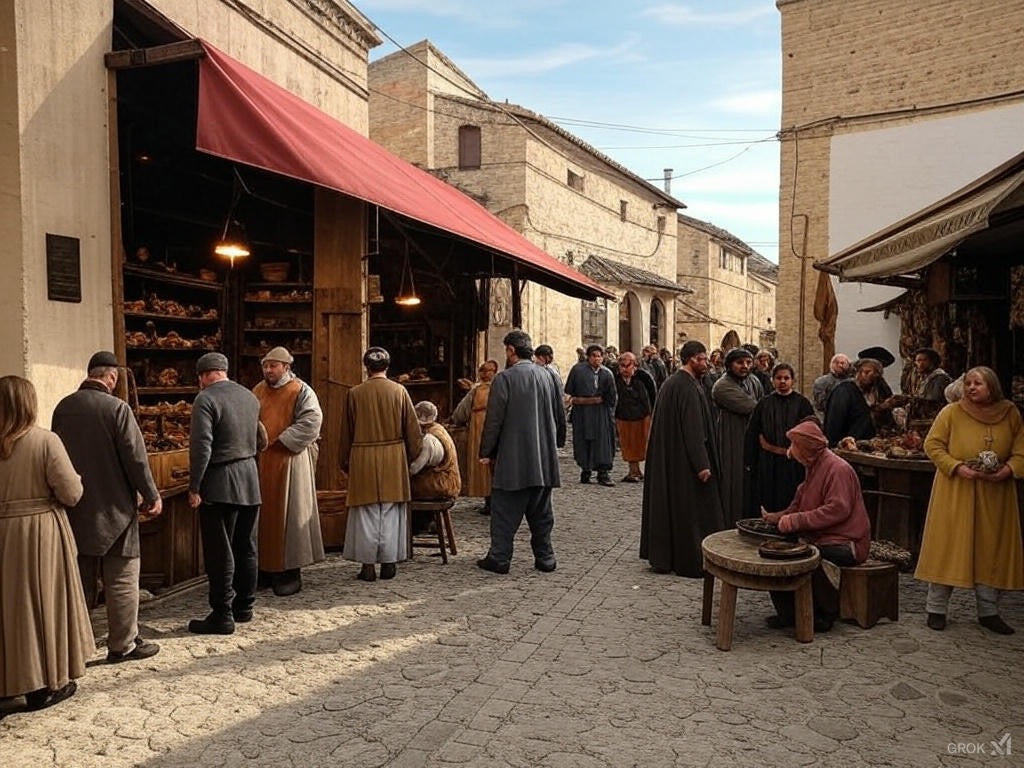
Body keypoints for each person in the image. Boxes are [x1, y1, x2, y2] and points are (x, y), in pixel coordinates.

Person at [51, 351, 162, 663]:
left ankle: (77, 647)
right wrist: (151, 495)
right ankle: (123, 644)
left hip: (76, 507)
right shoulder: (118, 408)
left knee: (80, 580)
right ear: (112, 378)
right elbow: (136, 458)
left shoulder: (63, 408)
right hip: (117, 509)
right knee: (122, 578)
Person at [0, 376, 94, 710]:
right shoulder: (44, 441)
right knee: (42, 603)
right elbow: (72, 492)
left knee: (8, 609)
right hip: (40, 532)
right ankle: (44, 685)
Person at [914, 366, 1024, 634]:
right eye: (969, 383)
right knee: (949, 545)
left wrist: (1008, 470)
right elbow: (933, 445)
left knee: (991, 549)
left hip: (995, 493)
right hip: (956, 490)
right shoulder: (951, 412)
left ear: (992, 387)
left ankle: (988, 611)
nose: (971, 387)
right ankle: (936, 608)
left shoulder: (1009, 413)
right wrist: (956, 467)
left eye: (978, 383)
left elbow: (1021, 449)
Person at [762, 420, 870, 632]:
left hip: (847, 542)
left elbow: (838, 509)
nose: (792, 453)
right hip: (821, 536)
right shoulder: (813, 466)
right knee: (776, 552)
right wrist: (777, 517)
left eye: (795, 447)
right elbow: (799, 502)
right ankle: (789, 612)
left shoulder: (837, 469)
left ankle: (824, 614)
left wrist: (795, 521)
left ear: (806, 449)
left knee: (804, 556)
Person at [477, 330, 566, 574]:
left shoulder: (505, 379)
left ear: (511, 350)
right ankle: (545, 557)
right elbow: (560, 413)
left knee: (504, 513)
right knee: (541, 513)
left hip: (513, 460)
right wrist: (557, 441)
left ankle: (500, 557)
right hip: (543, 458)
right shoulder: (549, 376)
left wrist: (486, 451)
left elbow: (494, 420)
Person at [188, 352, 263, 634]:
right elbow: (261, 438)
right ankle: (245, 607)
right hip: (250, 478)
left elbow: (201, 447)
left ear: (204, 375)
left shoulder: (205, 399)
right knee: (246, 545)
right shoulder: (249, 396)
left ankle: (222, 614)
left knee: (220, 551)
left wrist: (195, 486)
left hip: (220, 482)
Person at [640, 341, 725, 577]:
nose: (706, 363)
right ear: (691, 359)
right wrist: (702, 464)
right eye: (702, 359)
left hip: (675, 460)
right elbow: (693, 429)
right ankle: (692, 559)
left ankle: (668, 556)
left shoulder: (675, 383)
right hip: (685, 463)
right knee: (693, 512)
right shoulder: (685, 386)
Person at [340, 347, 422, 582]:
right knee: (390, 511)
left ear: (366, 367)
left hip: (363, 457)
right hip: (393, 456)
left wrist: (345, 461)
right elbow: (413, 431)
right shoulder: (399, 392)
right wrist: (409, 457)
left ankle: (367, 565)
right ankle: (389, 562)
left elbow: (346, 431)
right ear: (387, 366)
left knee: (365, 512)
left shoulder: (354, 393)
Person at [252, 346, 324, 597]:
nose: (268, 370)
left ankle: (290, 572)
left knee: (290, 517)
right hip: (263, 460)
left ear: (286, 367)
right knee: (264, 517)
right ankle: (264, 571)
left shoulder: (301, 390)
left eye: (273, 365)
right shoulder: (258, 391)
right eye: (265, 365)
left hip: (290, 460)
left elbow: (312, 421)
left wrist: (282, 440)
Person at [744, 363, 815, 519]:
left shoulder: (802, 403)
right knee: (768, 497)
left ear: (792, 381)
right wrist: (750, 462)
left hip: (794, 463)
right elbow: (753, 432)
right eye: (778, 378)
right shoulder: (764, 403)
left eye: (786, 378)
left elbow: (811, 431)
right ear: (772, 380)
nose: (782, 381)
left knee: (792, 497)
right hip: (768, 463)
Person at [711, 347, 763, 527]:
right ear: (729, 365)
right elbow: (754, 407)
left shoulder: (753, 381)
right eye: (740, 363)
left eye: (748, 362)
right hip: (731, 440)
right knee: (733, 483)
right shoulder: (722, 386)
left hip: (752, 439)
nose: (745, 366)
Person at [565, 344, 618, 486]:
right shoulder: (578, 370)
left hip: (601, 413)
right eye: (594, 356)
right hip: (582, 413)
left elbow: (611, 397)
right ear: (588, 357)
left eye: (599, 356)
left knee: (602, 442)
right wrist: (582, 400)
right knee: (583, 441)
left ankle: (603, 473)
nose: (597, 359)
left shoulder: (607, 373)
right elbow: (570, 392)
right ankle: (586, 470)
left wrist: (602, 403)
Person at [451, 359, 498, 514]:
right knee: (491, 464)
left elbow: (460, 413)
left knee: (483, 463)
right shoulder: (499, 388)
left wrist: (458, 421)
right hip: (495, 428)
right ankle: (493, 500)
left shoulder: (476, 390)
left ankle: (489, 500)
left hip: (480, 429)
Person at [823, 357, 894, 446]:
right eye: (862, 372)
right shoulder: (844, 391)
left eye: (868, 372)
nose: (862, 376)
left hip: (871, 444)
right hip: (848, 444)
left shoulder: (879, 389)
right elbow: (834, 422)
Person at [614, 352, 656, 483]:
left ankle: (645, 471)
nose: (625, 369)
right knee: (628, 445)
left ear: (635, 366)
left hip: (643, 416)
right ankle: (633, 471)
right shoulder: (615, 378)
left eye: (628, 365)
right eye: (622, 365)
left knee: (645, 444)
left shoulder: (644, 377)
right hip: (623, 416)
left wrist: (653, 412)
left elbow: (653, 394)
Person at [409, 401, 461, 501]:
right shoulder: (439, 429)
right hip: (448, 483)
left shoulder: (429, 439)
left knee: (402, 488)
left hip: (440, 485)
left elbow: (414, 469)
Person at [907, 347, 953, 421]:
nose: (921, 364)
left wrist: (908, 399)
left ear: (932, 362)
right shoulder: (923, 379)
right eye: (918, 361)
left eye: (924, 360)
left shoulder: (940, 378)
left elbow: (934, 402)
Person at [811, 353, 852, 422]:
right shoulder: (821, 382)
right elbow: (819, 405)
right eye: (836, 363)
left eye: (842, 363)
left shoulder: (853, 382)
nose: (840, 365)